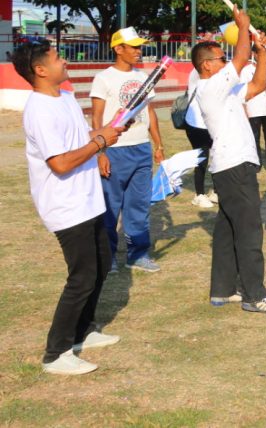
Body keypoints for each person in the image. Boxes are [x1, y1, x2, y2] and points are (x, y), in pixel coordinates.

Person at [18, 41, 125, 375]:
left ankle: (82, 332)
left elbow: (78, 139)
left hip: (88, 198)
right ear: (40, 70)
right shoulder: (38, 110)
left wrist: (102, 135)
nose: (64, 61)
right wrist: (100, 142)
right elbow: (61, 163)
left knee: (103, 262)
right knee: (81, 277)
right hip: (65, 206)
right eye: (57, 57)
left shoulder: (64, 97)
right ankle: (56, 353)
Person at [192, 9, 266, 313]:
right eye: (220, 59)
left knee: (227, 229)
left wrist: (262, 53)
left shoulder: (225, 89)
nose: (225, 62)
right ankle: (254, 295)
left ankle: (222, 290)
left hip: (234, 165)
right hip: (233, 165)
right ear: (207, 65)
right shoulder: (209, 86)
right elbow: (240, 57)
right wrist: (243, 28)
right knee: (249, 231)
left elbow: (258, 85)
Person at [89, 27, 165, 273]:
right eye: (133, 47)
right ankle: (106, 256)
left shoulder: (144, 77)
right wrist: (100, 152)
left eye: (139, 46)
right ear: (118, 49)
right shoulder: (103, 79)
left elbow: (150, 113)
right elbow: (97, 118)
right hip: (114, 150)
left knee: (139, 206)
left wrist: (158, 144)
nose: (138, 51)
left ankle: (138, 254)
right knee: (110, 207)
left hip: (141, 148)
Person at [184, 61, 216, 207]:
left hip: (211, 122)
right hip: (196, 124)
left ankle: (216, 191)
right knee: (202, 159)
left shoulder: (213, 74)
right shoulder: (197, 73)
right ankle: (199, 194)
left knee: (217, 156)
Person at [244, 57, 266, 172]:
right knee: (254, 138)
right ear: (255, 54)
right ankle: (256, 163)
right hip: (253, 109)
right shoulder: (247, 70)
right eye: (264, 53)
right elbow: (244, 89)